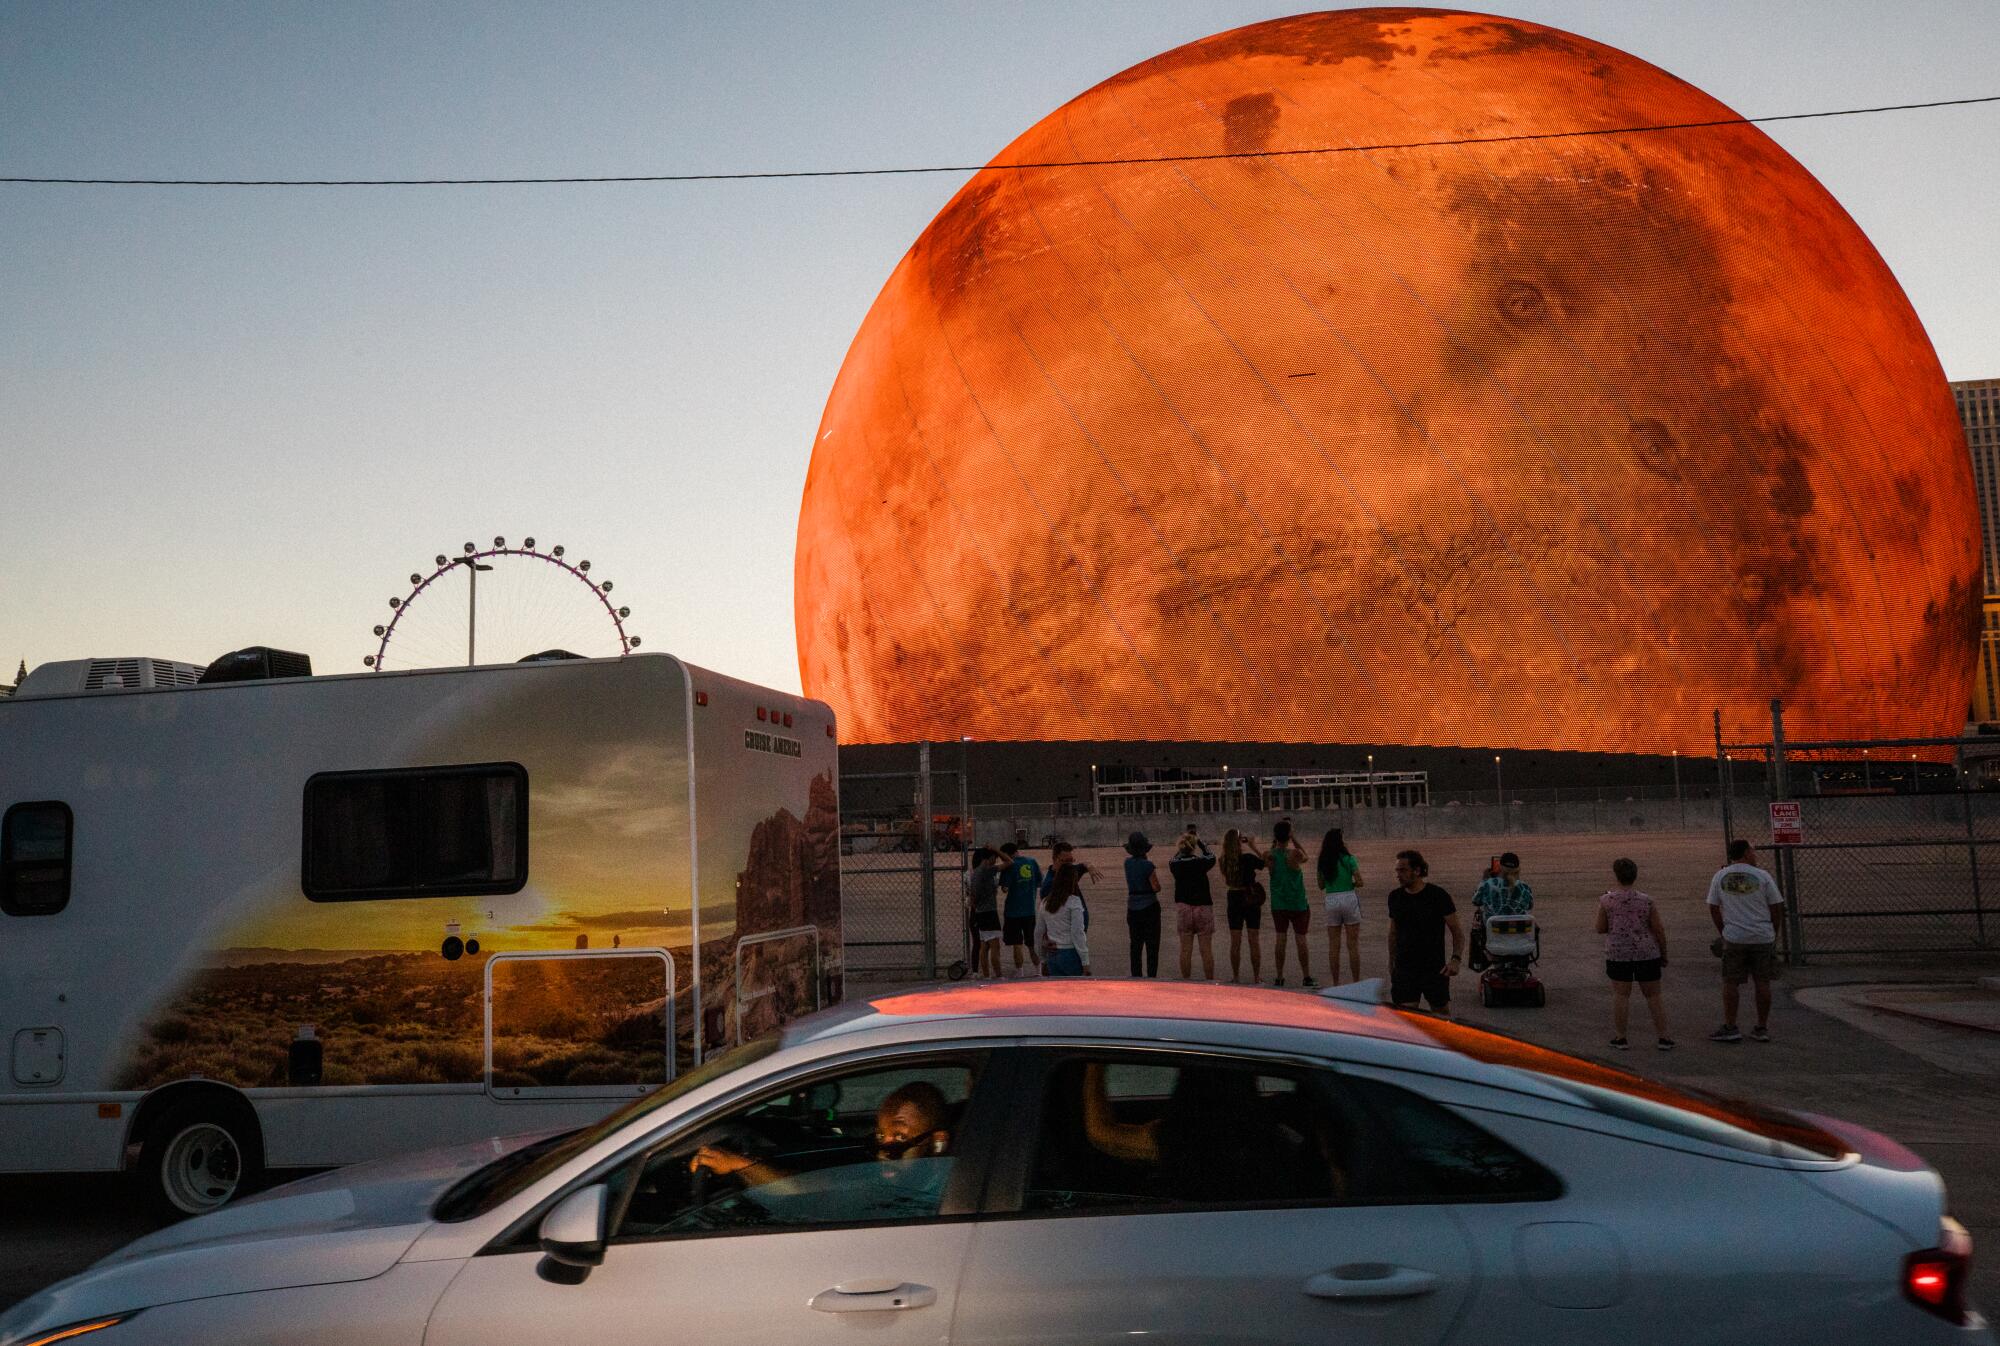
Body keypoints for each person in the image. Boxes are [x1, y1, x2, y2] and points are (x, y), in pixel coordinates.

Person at [689, 1081, 953, 1186]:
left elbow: (807, 1190)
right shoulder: (908, 1182)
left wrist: (739, 1165)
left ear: (938, 1142)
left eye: (901, 1137)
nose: (885, 1151)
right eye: (881, 1136)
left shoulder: (937, 1195)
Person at [1706, 838, 1785, 1043]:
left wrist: (1724, 931)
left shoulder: (1720, 876)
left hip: (1735, 937)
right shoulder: (1763, 876)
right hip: (1762, 936)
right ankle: (1761, 1027)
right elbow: (1776, 907)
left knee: (1731, 982)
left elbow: (1713, 907)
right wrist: (1773, 932)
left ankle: (1731, 1026)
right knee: (1762, 982)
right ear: (1746, 853)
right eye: (1752, 851)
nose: (1754, 854)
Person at [1597, 856, 1672, 1050]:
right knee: (1653, 996)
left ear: (1616, 876)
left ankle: (1621, 1037)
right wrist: (1663, 953)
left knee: (1621, 995)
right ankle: (1663, 1037)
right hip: (1646, 953)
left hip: (1619, 953)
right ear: (1635, 876)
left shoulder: (1606, 900)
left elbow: (1600, 928)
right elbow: (1659, 929)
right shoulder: (1647, 901)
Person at [1386, 849, 1462, 1013]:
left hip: (1433, 968)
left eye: (1403, 870)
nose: (1398, 875)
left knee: (1441, 1014)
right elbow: (1393, 933)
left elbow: (1457, 931)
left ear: (1417, 870)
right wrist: (1391, 962)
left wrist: (1455, 959)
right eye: (1397, 871)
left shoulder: (1438, 896)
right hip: (1405, 968)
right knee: (1407, 1017)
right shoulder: (1395, 897)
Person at [1266, 820, 1314, 988]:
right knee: (1301, 939)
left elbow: (1269, 859)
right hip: (1297, 902)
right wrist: (1294, 839)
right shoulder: (1294, 854)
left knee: (1280, 938)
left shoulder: (1270, 855)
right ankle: (1306, 976)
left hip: (1279, 904)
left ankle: (1279, 976)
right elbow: (1306, 856)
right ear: (1289, 835)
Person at [1316, 828, 1364, 985]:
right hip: (1348, 897)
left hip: (1331, 899)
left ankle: (1335, 982)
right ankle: (1356, 981)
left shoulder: (1323, 862)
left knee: (1334, 946)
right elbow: (1360, 881)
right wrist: (1350, 883)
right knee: (1353, 945)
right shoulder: (1349, 859)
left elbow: (1321, 885)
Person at [1470, 851, 1533, 970]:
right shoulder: (1524, 887)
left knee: (1478, 923)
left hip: (1494, 940)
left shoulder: (1488, 884)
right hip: (1520, 941)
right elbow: (1529, 906)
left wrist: (1484, 879)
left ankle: (1479, 962)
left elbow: (1475, 901)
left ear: (1499, 867)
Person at [1220, 828, 1266, 983]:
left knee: (1235, 941)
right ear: (1240, 842)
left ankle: (1236, 976)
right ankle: (1256, 976)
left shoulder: (1223, 860)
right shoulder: (1248, 858)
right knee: (1254, 939)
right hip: (1250, 897)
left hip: (1234, 897)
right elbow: (1264, 863)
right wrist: (1253, 846)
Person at [1169, 835, 1218, 980]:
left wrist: (1181, 849)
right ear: (1193, 847)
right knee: (1206, 950)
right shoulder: (1201, 863)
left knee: (1185, 950)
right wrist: (1201, 843)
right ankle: (1210, 981)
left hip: (1184, 908)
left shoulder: (1175, 865)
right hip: (1203, 907)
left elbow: (1173, 859)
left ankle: (1186, 981)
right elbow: (1211, 856)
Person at [1035, 862, 1091, 976]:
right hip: (1070, 953)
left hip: (1052, 954)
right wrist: (1085, 961)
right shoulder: (1073, 901)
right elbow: (1077, 933)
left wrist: (1043, 959)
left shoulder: (1045, 902)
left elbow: (1038, 932)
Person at [999, 841, 1044, 978]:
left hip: (1013, 911)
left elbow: (1005, 888)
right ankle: (1038, 971)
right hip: (1029, 909)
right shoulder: (1032, 862)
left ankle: (1020, 972)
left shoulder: (1010, 866)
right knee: (1031, 943)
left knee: (1017, 943)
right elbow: (1039, 882)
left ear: (1007, 855)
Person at [1123, 831, 1163, 978]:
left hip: (1132, 907)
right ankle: (1151, 976)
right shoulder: (1148, 865)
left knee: (1135, 945)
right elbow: (1156, 887)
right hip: (1149, 907)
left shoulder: (1127, 863)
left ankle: (1136, 976)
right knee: (1152, 946)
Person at [967, 846, 1005, 979]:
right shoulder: (985, 871)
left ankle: (986, 975)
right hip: (988, 912)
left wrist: (975, 904)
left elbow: (973, 895)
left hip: (980, 912)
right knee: (994, 945)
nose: (995, 860)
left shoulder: (974, 873)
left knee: (984, 944)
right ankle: (998, 975)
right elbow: (1009, 862)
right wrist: (996, 850)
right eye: (994, 858)